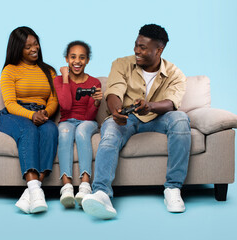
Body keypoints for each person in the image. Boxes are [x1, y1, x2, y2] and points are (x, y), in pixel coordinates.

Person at [81, 24, 191, 219]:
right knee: (110, 130)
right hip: (127, 118)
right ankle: (101, 193)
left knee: (181, 118)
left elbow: (171, 103)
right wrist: (116, 112)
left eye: (142, 47)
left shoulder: (176, 74)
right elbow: (114, 91)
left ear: (159, 50)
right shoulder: (121, 64)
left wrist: (149, 106)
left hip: (158, 118)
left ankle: (173, 189)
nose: (136, 51)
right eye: (136, 45)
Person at [0, 26, 58, 214]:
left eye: (36, 44)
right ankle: (36, 191)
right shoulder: (9, 71)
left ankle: (32, 191)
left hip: (41, 113)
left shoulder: (49, 71)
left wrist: (45, 113)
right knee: (28, 130)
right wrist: (31, 115)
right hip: (14, 115)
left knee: (51, 130)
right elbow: (10, 103)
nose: (34, 49)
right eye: (27, 46)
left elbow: (54, 98)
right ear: (17, 49)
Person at [54, 41, 102, 208]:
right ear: (67, 59)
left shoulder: (94, 82)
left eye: (82, 58)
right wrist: (66, 78)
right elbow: (66, 106)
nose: (77, 61)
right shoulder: (59, 80)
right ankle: (66, 187)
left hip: (87, 122)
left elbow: (89, 116)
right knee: (65, 132)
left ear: (87, 60)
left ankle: (85, 185)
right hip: (67, 121)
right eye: (73, 57)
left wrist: (96, 103)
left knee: (81, 131)